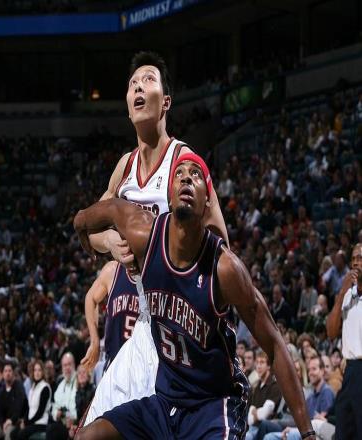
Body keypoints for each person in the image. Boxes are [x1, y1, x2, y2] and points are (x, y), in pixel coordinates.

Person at [74, 153, 314, 439]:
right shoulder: (144, 234)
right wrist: (81, 225)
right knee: (87, 436)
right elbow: (106, 210)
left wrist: (308, 433)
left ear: (207, 202)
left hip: (213, 405)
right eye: (179, 173)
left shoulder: (225, 268)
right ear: (170, 196)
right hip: (166, 403)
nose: (186, 177)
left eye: (196, 174)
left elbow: (274, 344)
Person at [83, 50, 229, 424]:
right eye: (133, 83)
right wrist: (112, 244)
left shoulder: (184, 161)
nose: (138, 87)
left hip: (182, 321)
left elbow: (219, 238)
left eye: (148, 80)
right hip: (146, 321)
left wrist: (171, 253)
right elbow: (92, 229)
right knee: (93, 427)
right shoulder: (125, 166)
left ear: (165, 102)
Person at [326, 242, 362, 439]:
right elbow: (331, 332)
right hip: (350, 371)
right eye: (353, 259)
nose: (356, 263)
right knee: (343, 432)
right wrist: (341, 293)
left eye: (360, 258)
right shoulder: (347, 295)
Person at [81, 261, 138, 373]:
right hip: (114, 365)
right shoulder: (113, 270)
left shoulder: (154, 274)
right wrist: (95, 341)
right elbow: (90, 299)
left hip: (143, 367)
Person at [245, 352, 282, 440]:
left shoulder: (275, 386)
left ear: (268, 366)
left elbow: (265, 413)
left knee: (247, 437)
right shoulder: (257, 386)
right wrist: (257, 414)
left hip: (265, 428)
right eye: (257, 363)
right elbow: (250, 417)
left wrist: (256, 413)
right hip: (252, 427)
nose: (258, 366)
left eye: (262, 362)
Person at [12, 360, 51, 440]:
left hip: (41, 423)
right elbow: (29, 408)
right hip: (31, 422)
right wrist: (24, 421)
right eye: (35, 370)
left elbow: (40, 412)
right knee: (13, 433)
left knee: (21, 434)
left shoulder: (45, 388)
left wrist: (27, 423)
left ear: (43, 372)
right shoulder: (32, 387)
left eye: (39, 370)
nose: (37, 373)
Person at [0, 361, 26, 440]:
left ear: (13, 373)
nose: (8, 373)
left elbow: (19, 408)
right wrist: (3, 423)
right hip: (4, 422)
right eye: (5, 371)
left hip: (16, 421)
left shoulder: (19, 387)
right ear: (3, 374)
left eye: (10, 371)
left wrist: (11, 420)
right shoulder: (1, 391)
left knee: (9, 431)